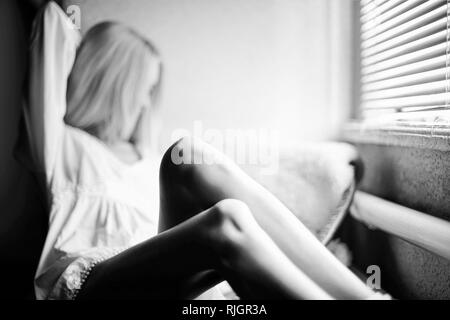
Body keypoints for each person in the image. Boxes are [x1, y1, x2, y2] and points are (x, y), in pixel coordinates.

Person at [20, 1, 385, 300]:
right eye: (143, 89)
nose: (148, 104)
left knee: (213, 196)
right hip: (95, 284)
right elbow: (51, 33)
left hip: (171, 285)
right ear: (112, 83)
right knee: (218, 215)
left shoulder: (147, 162)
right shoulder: (65, 144)